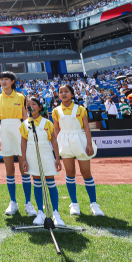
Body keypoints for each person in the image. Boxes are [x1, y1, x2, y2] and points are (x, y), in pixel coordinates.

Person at [53, 84, 104, 217]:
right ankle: (74, 204)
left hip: (80, 139)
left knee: (86, 173)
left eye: (66, 91)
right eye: (60, 92)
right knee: (70, 173)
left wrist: (89, 144)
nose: (63, 94)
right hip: (64, 140)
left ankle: (94, 204)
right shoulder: (56, 110)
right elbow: (56, 129)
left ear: (72, 94)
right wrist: (57, 148)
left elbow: (86, 127)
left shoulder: (80, 108)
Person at [19, 97, 64, 227]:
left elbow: (54, 141)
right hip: (32, 154)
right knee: (37, 183)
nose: (30, 106)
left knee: (50, 183)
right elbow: (23, 142)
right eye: (28, 104)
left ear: (39, 106)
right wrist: (23, 159)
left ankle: (55, 213)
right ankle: (40, 212)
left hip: (46, 154)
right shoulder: (24, 124)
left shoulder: (47, 123)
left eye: (34, 104)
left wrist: (57, 158)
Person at [0, 71, 32, 217]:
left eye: (6, 79)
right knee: (9, 170)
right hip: (5, 132)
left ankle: (28, 203)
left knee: (24, 168)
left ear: (13, 81)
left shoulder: (21, 97)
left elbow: (25, 117)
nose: (3, 82)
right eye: (1, 79)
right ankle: (13, 202)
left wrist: (28, 135)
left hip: (19, 130)